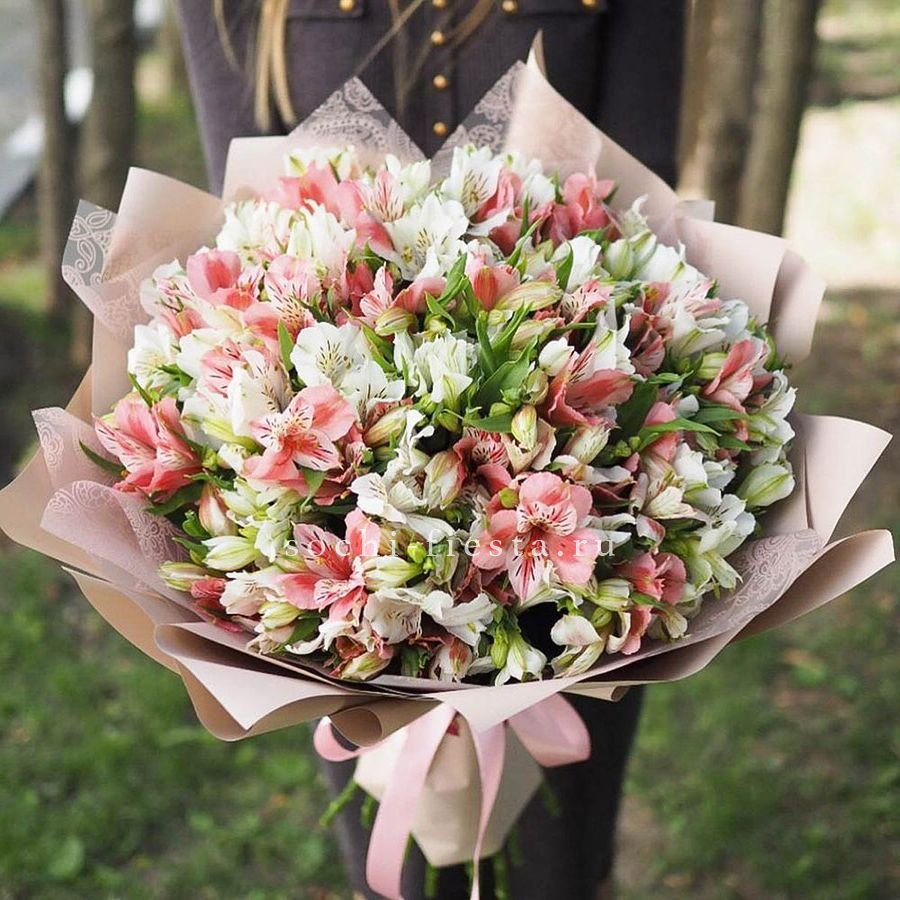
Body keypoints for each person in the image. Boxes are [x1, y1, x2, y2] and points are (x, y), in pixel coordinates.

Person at [175, 2, 684, 897]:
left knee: (558, 860)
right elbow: (249, 229)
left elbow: (641, 212)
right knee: (394, 865)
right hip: (337, 520)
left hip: (585, 488)